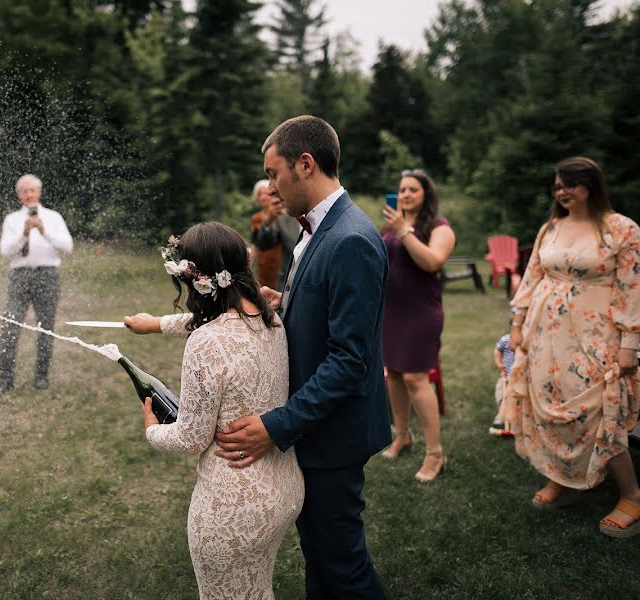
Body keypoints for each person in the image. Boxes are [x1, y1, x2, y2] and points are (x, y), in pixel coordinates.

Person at [215, 115, 390, 599]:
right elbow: (328, 310)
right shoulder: (316, 229)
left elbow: (349, 360)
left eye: (274, 173)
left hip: (332, 435)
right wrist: (286, 302)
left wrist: (277, 423)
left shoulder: (350, 239)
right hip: (318, 430)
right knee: (321, 557)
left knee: (343, 568)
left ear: (305, 165)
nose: (270, 186)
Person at [128, 222, 304, 599]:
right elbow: (215, 322)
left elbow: (192, 437)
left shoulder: (206, 342)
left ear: (194, 279)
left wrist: (151, 428)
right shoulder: (272, 319)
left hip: (231, 507)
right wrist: (155, 324)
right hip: (283, 488)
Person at [502, 156, 639, 539]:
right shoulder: (552, 229)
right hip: (546, 335)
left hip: (596, 336)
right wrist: (517, 325)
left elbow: (632, 289)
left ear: (591, 185)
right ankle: (561, 477)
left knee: (600, 411)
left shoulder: (620, 229)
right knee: (549, 406)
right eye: (558, 185)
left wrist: (630, 344)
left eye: (570, 184)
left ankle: (631, 494)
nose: (562, 191)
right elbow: (531, 279)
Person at [379, 169, 456, 483]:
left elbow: (433, 262)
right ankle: (402, 434)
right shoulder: (389, 228)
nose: (406, 194)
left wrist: (405, 231)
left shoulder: (439, 227)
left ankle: (435, 453)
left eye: (413, 189)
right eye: (402, 189)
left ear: (426, 194)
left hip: (421, 312)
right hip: (391, 311)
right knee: (394, 375)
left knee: (415, 377)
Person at [0, 174, 73, 397]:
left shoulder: (54, 217)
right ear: (19, 195)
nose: (29, 195)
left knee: (45, 327)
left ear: (39, 192)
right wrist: (24, 233)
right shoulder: (11, 220)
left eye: (32, 190)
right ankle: (5, 379)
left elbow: (67, 247)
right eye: (24, 191)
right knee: (10, 326)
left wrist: (44, 231)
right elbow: (5, 251)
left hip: (47, 276)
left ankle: (41, 375)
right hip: (20, 276)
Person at [253, 185, 302, 290]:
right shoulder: (278, 216)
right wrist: (267, 222)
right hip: (285, 281)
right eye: (260, 194)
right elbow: (261, 243)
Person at [249, 179, 282, 288]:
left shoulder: (281, 214)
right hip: (264, 262)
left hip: (280, 260)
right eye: (259, 194)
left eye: (265, 193)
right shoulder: (257, 218)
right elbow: (255, 242)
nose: (263, 197)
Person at [488, 333, 515, 437]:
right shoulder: (506, 339)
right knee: (501, 396)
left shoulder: (527, 340)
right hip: (505, 377)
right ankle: (501, 415)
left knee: (516, 400)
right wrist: (499, 363)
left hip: (519, 380)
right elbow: (498, 350)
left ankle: (515, 419)